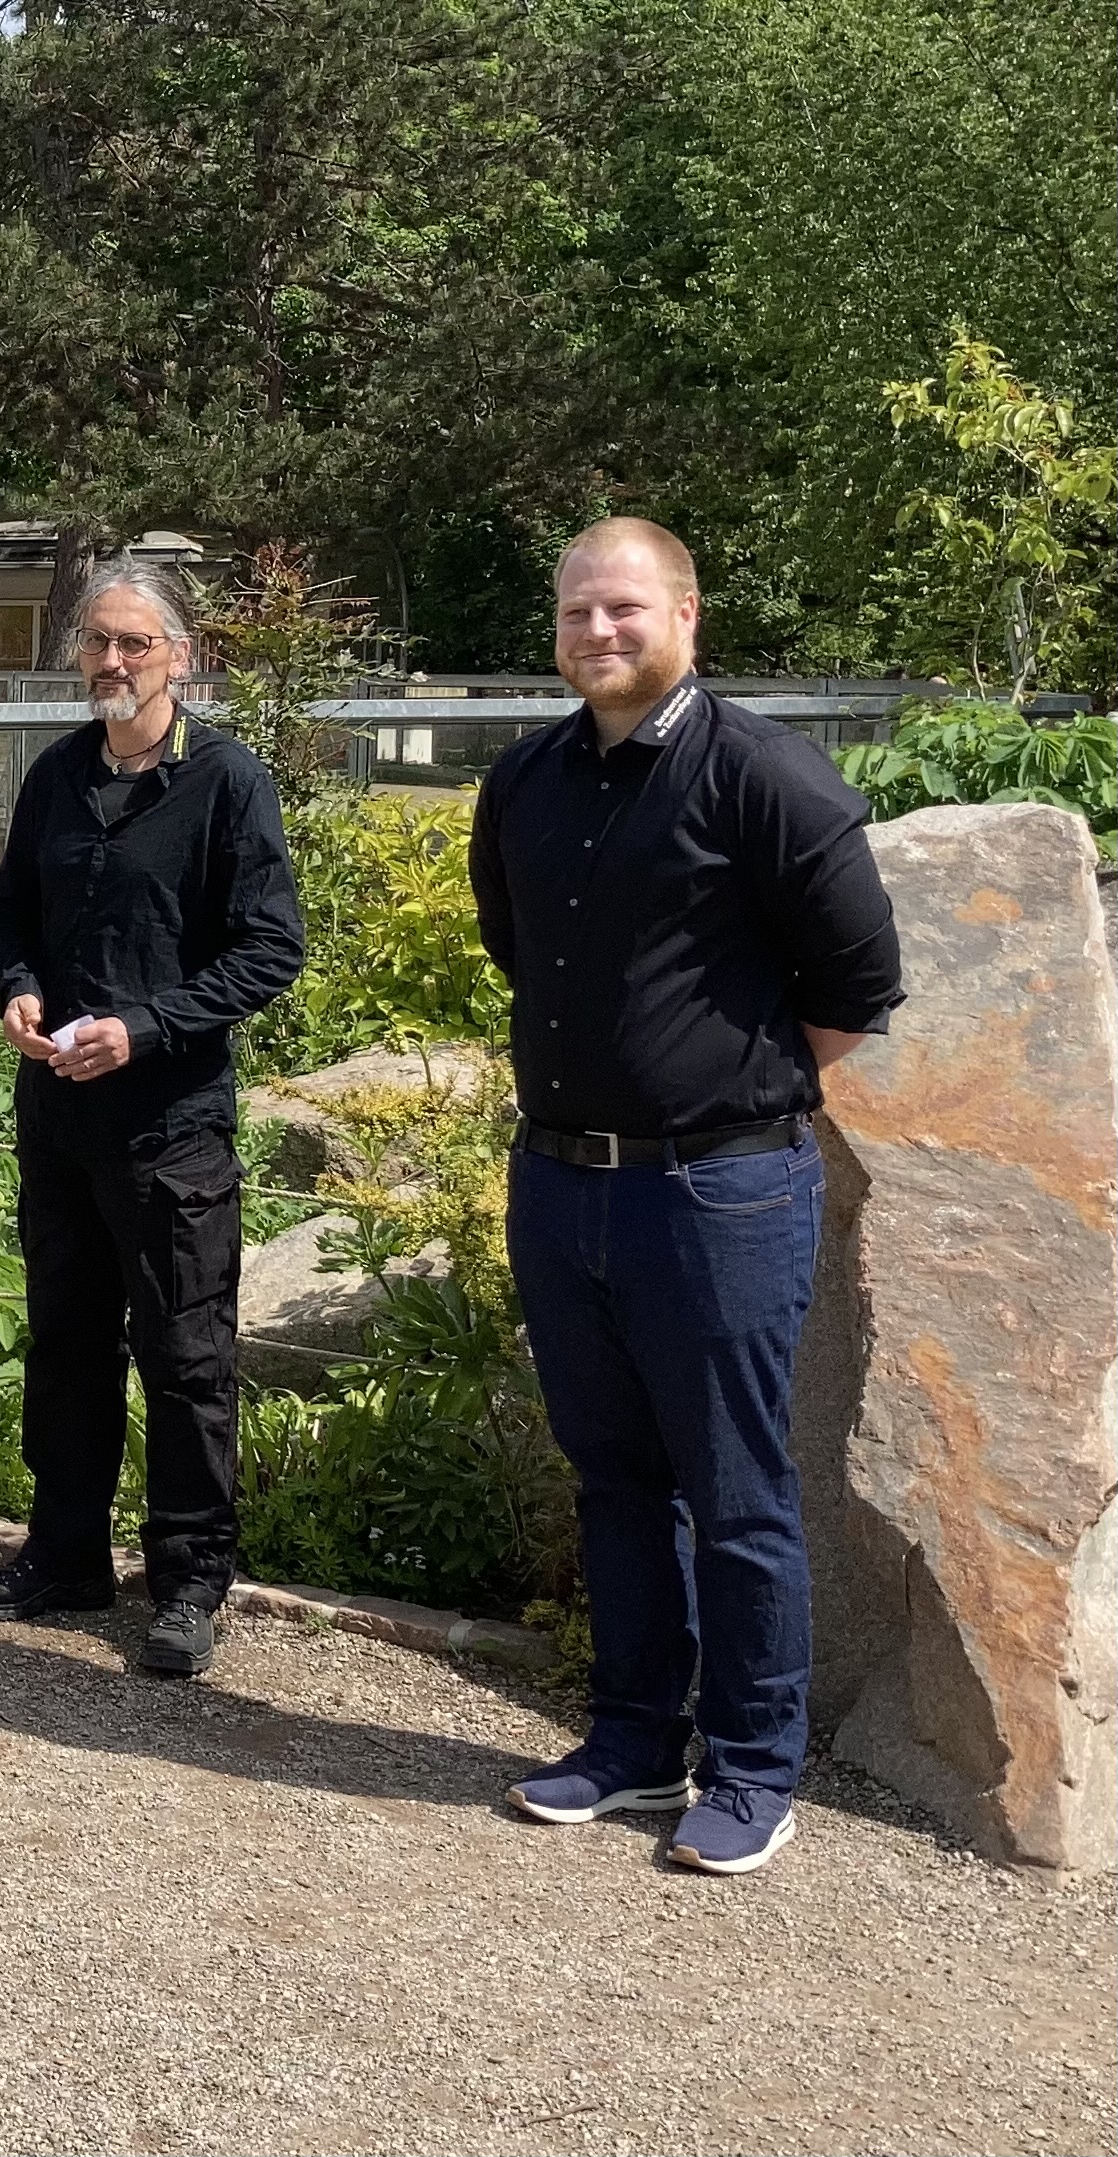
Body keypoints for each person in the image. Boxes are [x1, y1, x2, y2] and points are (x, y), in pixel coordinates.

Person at [477, 517, 902, 1876]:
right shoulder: (524, 780)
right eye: (574, 612)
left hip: (718, 1195)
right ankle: (630, 1742)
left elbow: (854, 992)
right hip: (560, 1183)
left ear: (684, 614)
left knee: (735, 1492)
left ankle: (752, 1768)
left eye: (621, 608)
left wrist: (719, 1093)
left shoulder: (764, 777)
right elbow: (519, 951)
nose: (595, 632)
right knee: (613, 1478)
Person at [0, 558, 306, 1676]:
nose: (111, 661)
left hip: (170, 1125)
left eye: (133, 643)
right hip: (58, 1116)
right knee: (66, 1343)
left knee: (184, 1354)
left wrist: (147, 1028)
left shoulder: (225, 782)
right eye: (96, 641)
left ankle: (188, 1581)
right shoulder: (57, 775)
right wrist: (18, 987)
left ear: (181, 658)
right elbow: (8, 911)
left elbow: (270, 949)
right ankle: (66, 1553)